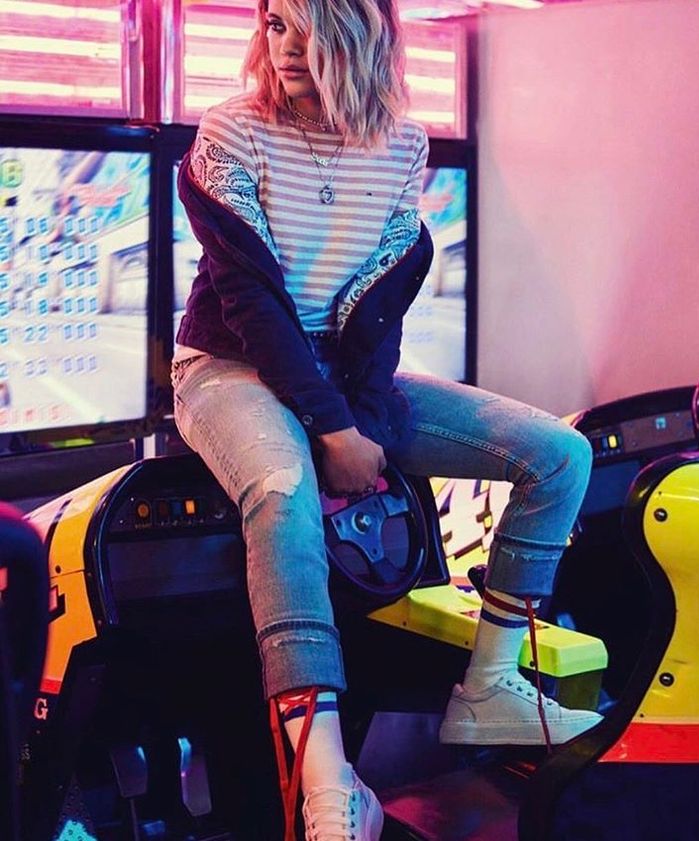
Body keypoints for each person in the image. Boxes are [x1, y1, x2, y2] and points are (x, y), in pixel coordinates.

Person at [171, 0, 602, 838]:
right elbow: (252, 304)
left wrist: (361, 421)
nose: (286, 46)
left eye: (306, 25)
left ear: (359, 32)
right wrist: (336, 435)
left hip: (345, 374)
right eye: (273, 25)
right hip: (226, 365)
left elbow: (378, 308)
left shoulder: (403, 146)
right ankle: (328, 780)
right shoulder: (229, 134)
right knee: (283, 483)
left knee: (560, 453)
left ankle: (488, 687)